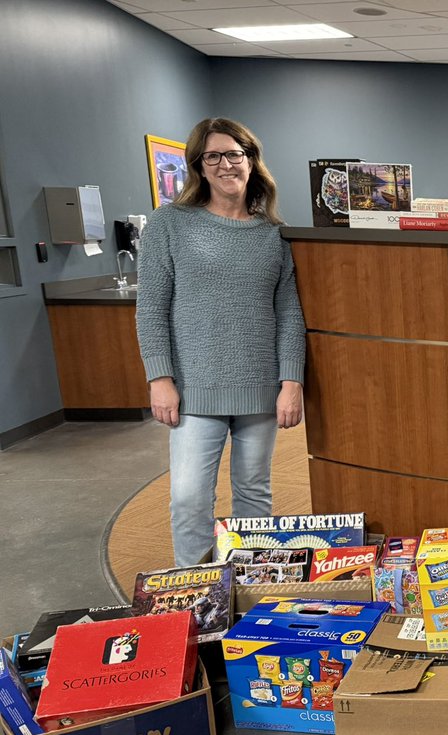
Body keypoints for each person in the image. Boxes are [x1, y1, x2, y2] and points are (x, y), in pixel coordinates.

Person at [136, 117, 306, 567]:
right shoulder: (169, 224)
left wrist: (291, 382)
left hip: (260, 387)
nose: (226, 164)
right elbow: (151, 307)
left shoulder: (274, 233)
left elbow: (289, 314)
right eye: (214, 156)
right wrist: (160, 377)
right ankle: (195, 597)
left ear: (252, 160)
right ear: (199, 165)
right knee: (190, 499)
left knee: (254, 497)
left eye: (235, 154)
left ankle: (250, 590)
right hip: (193, 388)